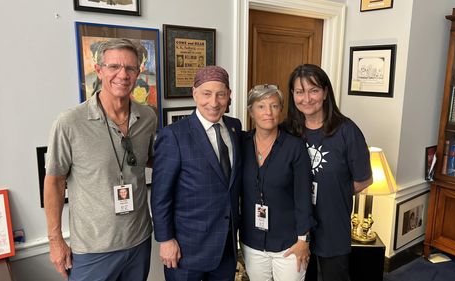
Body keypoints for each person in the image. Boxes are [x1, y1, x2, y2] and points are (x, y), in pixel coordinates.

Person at [44, 38, 157, 281]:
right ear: (99, 70)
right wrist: (55, 240)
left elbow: (150, 160)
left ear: (138, 72)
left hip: (139, 241)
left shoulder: (147, 117)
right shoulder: (70, 122)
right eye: (113, 66)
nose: (122, 74)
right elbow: (54, 181)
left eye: (130, 68)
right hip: (93, 250)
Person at [151, 66, 242, 281]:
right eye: (206, 94)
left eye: (221, 94)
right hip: (185, 250)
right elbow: (161, 195)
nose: (214, 102)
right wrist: (165, 240)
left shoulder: (235, 128)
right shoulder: (173, 135)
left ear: (229, 95)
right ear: (194, 93)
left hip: (226, 247)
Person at [284, 64, 373, 281]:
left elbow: (364, 179)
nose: (306, 98)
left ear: (325, 92)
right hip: (295, 227)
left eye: (313, 90)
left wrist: (335, 193)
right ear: (293, 95)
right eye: (299, 92)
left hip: (332, 225)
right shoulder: (288, 131)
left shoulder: (346, 131)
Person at [240, 84, 315, 281]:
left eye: (274, 106)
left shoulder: (294, 147)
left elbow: (303, 196)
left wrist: (303, 240)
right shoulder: (241, 144)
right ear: (251, 112)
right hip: (252, 241)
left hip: (289, 243)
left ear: (280, 109)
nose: (268, 113)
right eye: (261, 106)